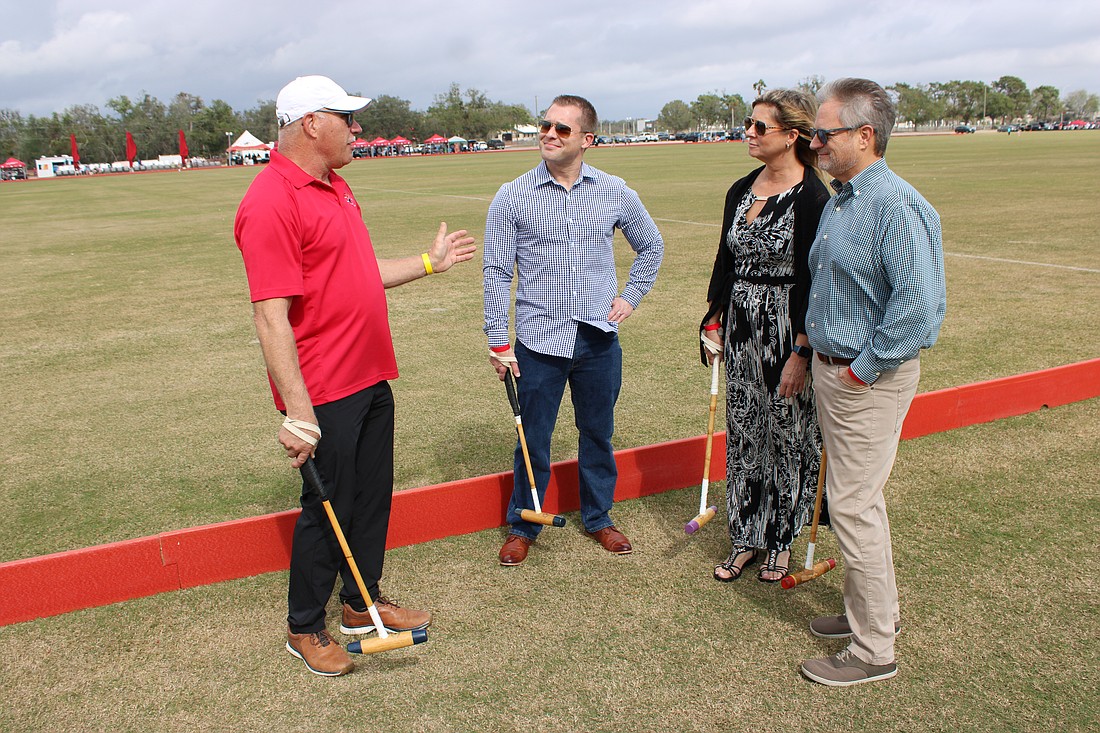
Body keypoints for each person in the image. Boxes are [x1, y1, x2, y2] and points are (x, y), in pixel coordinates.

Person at [234, 75, 476, 677]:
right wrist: (298, 411)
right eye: (347, 117)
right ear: (312, 123)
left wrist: (428, 263)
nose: (357, 128)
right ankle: (303, 627)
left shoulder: (336, 186)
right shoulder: (270, 200)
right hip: (324, 390)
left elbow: (361, 271)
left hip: (369, 377)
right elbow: (270, 316)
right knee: (327, 508)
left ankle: (360, 602)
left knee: (369, 500)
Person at [800, 78, 946, 686]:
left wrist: (861, 368)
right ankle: (870, 611)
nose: (815, 143)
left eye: (824, 133)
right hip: (834, 371)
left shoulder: (898, 206)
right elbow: (834, 291)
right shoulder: (842, 201)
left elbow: (919, 309)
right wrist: (809, 353)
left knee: (855, 507)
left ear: (866, 135)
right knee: (858, 501)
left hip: (867, 379)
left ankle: (873, 650)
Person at [484, 94, 664, 566]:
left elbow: (651, 246)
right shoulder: (513, 194)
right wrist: (497, 339)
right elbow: (497, 270)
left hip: (597, 340)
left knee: (597, 433)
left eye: (562, 129)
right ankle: (524, 524)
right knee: (532, 438)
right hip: (538, 342)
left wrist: (631, 296)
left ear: (587, 140)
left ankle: (599, 518)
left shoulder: (614, 190)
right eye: (545, 125)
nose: (548, 134)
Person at [700, 89, 830, 584]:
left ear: (791, 136)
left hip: (786, 329)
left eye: (759, 127)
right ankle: (745, 535)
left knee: (788, 433)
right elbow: (725, 262)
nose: (748, 133)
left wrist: (802, 348)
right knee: (745, 429)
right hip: (741, 328)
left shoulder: (815, 198)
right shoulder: (740, 189)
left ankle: (780, 539)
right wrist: (714, 317)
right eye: (748, 125)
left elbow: (815, 281)